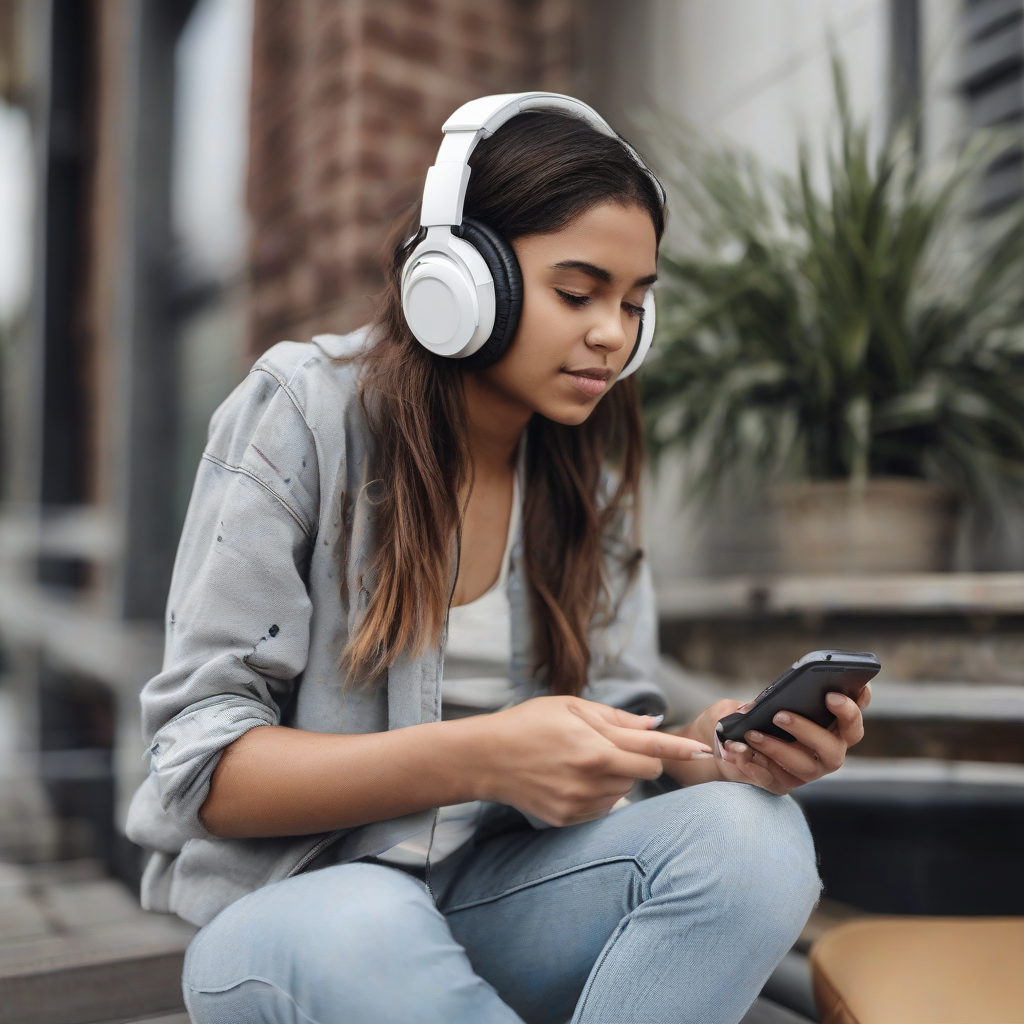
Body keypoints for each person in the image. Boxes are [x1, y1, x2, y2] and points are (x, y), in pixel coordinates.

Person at [126, 93, 869, 1024]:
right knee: (365, 919)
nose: (614, 332)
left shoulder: (582, 481)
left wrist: (699, 754)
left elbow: (612, 722)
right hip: (303, 921)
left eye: (636, 303)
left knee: (753, 840)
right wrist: (478, 757)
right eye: (578, 292)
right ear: (461, 279)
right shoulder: (302, 416)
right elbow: (203, 771)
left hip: (501, 906)